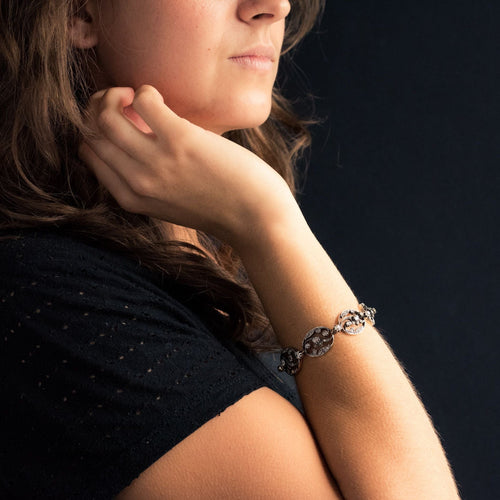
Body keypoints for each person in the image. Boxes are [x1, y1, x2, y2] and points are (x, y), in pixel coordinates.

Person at [0, 0, 460, 498]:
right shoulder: (50, 299)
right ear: (80, 13)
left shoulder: (171, 272)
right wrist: (268, 222)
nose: (274, 6)